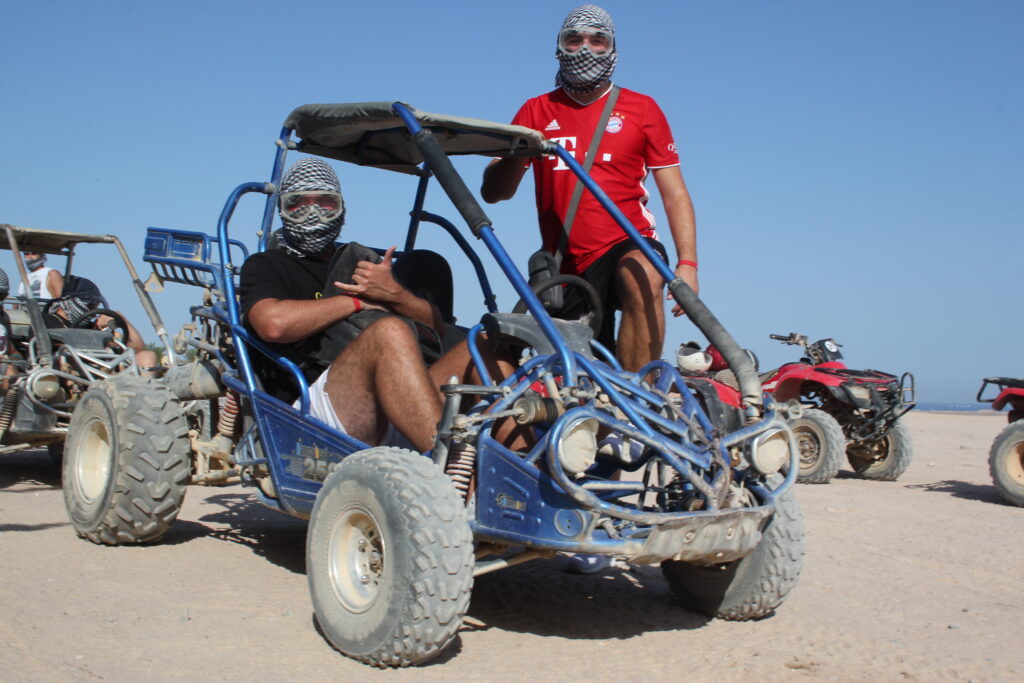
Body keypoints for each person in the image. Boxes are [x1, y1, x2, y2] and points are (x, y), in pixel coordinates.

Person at [481, 4, 698, 375]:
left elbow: (674, 193)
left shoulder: (642, 109)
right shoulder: (534, 111)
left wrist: (687, 265)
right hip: (565, 263)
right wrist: (518, 154)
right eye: (574, 39)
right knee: (577, 376)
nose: (585, 48)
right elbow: (494, 192)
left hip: (625, 241)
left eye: (598, 40)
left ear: (612, 48)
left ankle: (638, 403)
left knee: (644, 271)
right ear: (559, 46)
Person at [240, 158, 501, 452]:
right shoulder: (266, 265)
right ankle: (452, 469)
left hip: (398, 405)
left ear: (341, 208)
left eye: (325, 203)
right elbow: (273, 325)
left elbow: (437, 327)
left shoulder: (361, 264)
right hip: (316, 411)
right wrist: (355, 302)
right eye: (298, 203)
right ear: (283, 210)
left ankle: (532, 473)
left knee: (482, 344)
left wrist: (395, 295)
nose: (311, 212)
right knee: (389, 331)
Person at [43, 275, 159, 370]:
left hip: (102, 376)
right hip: (65, 376)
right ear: (69, 301)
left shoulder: (91, 327)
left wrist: (120, 318)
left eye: (96, 307)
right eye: (90, 305)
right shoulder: (46, 321)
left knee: (147, 356)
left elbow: (138, 347)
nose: (93, 312)